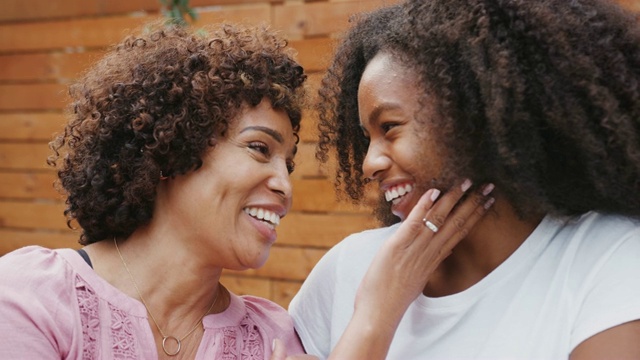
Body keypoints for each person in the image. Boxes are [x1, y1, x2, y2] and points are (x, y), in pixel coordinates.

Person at [289, 0, 640, 358]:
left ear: (475, 117)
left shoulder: (608, 260)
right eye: (366, 138)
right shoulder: (349, 269)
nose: (369, 164)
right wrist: (373, 320)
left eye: (390, 128)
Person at [0, 22, 309, 359]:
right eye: (260, 148)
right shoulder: (30, 297)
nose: (285, 186)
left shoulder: (274, 339)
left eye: (288, 166)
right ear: (174, 150)